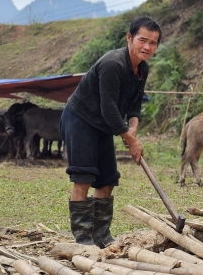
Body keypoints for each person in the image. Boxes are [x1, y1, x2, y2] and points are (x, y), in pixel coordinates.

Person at [60, 16, 161, 248]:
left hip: (103, 125)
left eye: (153, 43)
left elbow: (134, 104)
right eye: (142, 40)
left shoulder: (142, 69)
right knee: (83, 178)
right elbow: (109, 108)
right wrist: (129, 140)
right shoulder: (113, 64)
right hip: (81, 120)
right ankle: (83, 239)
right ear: (129, 38)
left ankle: (102, 235)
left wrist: (133, 129)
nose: (147, 47)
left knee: (106, 181)